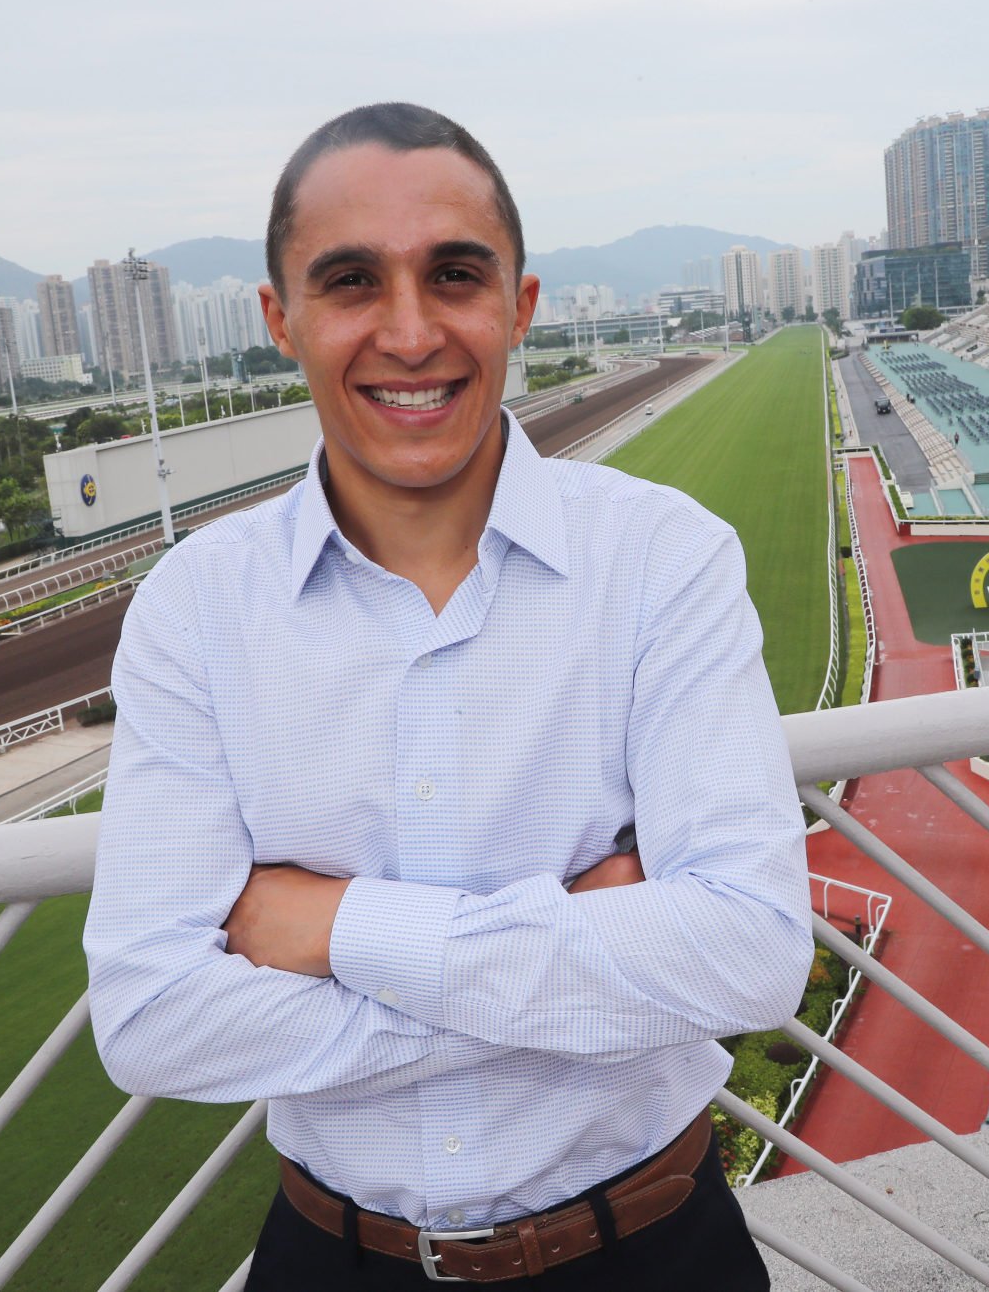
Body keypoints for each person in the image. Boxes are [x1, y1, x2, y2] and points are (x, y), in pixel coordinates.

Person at [84, 102, 812, 1290]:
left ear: (519, 303)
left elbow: (749, 952)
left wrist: (331, 931)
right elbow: (154, 1016)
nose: (409, 332)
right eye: (352, 281)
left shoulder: (664, 557)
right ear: (281, 318)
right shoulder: (195, 607)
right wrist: (569, 957)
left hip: (648, 1249)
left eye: (454, 274)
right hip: (335, 1256)